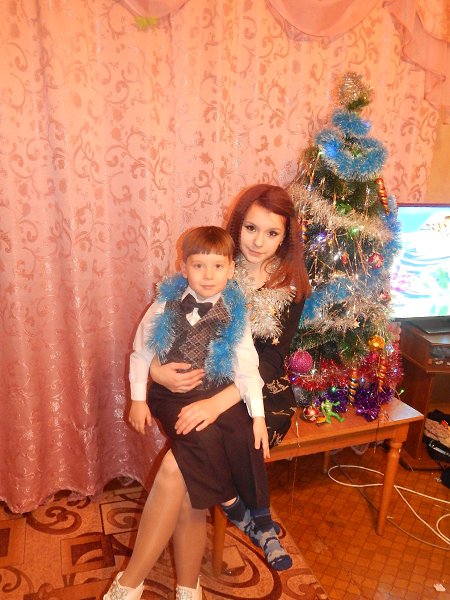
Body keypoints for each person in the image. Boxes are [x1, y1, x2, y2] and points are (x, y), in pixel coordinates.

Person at [104, 224, 290, 600]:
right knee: (196, 441)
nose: (208, 275)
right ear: (184, 267)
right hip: (172, 398)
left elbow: (248, 365)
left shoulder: (238, 310)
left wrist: (258, 415)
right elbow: (141, 352)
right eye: (199, 266)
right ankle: (231, 506)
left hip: (221, 393)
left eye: (217, 266)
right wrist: (139, 397)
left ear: (230, 269)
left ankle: (163, 586)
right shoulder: (166, 304)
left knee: (191, 469)